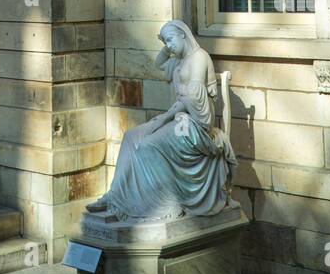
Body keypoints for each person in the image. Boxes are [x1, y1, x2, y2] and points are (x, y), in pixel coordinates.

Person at [87, 20, 236, 221]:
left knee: (148, 146)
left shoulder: (199, 57)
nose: (169, 46)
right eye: (166, 42)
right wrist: (167, 46)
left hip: (194, 126)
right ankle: (115, 196)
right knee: (131, 137)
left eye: (171, 40)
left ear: (183, 34)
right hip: (178, 118)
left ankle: (163, 203)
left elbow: (194, 97)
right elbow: (159, 64)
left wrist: (164, 118)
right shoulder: (180, 60)